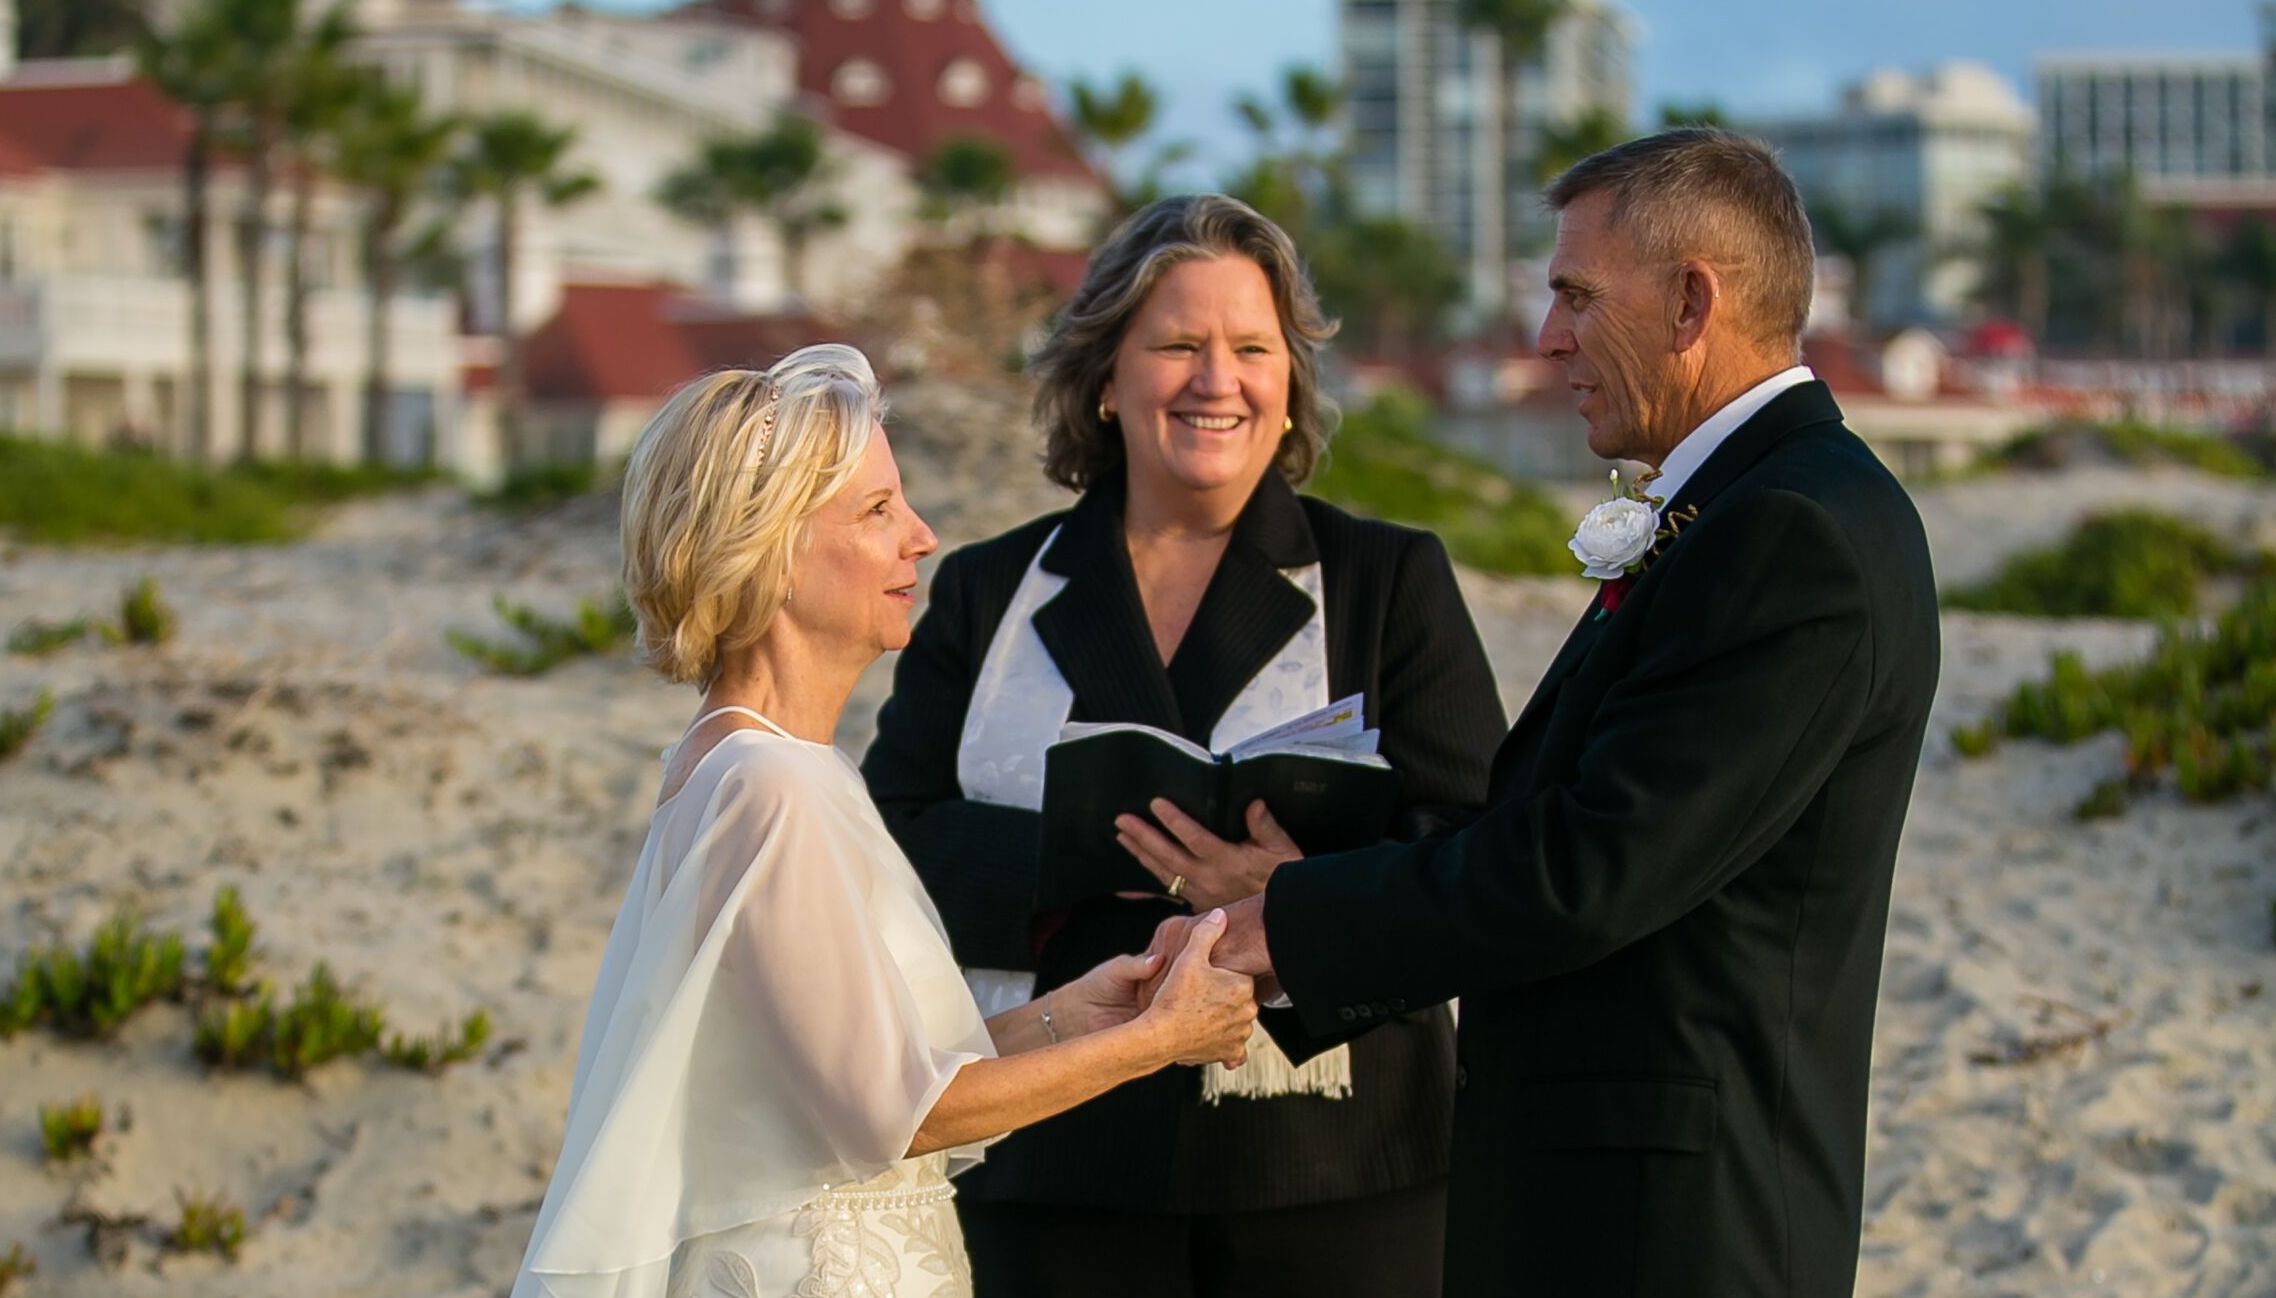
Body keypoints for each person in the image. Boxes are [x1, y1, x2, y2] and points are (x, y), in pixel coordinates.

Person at [1150, 129, 1943, 1296]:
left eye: (1575, 294)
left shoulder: (1791, 534)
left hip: (1672, 1221)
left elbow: (1591, 866)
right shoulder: (1748, 508)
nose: (1547, 336)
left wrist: (1294, 919)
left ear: (1689, 301)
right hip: (1611, 1194)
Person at [509, 345, 1259, 1298]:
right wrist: (1162, 1041)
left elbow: (856, 1068)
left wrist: (1087, 1010)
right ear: (769, 550)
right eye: (877, 511)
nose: (922, 534)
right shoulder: (770, 785)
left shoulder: (759, 765)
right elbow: (895, 1116)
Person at [860, 195, 1506, 1298]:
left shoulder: (1386, 579)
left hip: (1339, 1170)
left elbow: (1475, 852)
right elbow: (883, 847)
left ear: (1290, 379)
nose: (1218, 381)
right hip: (1050, 1155)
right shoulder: (984, 589)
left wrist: (1295, 895)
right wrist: (1104, 853)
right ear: (1103, 377)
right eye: (1177, 345)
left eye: (1252, 347)